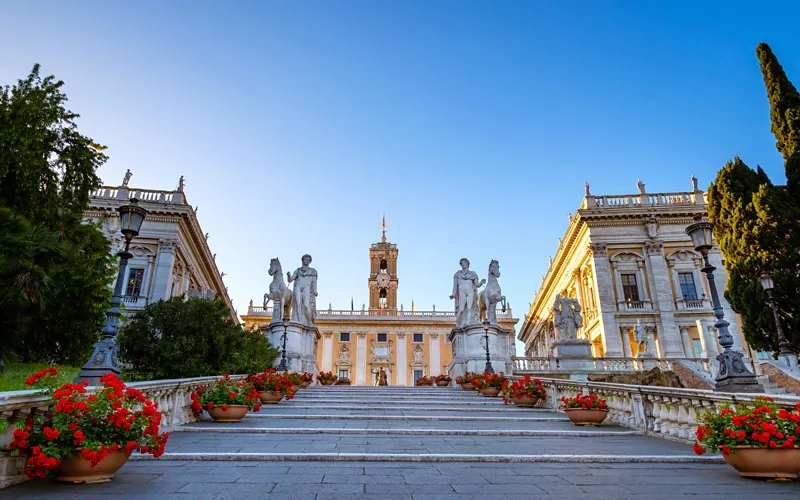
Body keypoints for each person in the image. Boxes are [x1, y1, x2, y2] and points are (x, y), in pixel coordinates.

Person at [450, 258, 485, 327]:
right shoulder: (457, 274)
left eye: (464, 263)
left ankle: (467, 324)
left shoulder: (473, 274)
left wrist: (481, 283)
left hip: (470, 291)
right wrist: (453, 294)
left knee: (469, 308)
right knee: (461, 309)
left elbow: (477, 284)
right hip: (461, 291)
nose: (463, 264)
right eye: (462, 263)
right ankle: (458, 322)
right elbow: (455, 286)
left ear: (468, 264)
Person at [288, 254, 317, 326]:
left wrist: (315, 290)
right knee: (298, 304)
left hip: (307, 287)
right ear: (302, 260)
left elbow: (314, 282)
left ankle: (309, 321)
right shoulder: (298, 270)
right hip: (298, 287)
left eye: (308, 260)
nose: (307, 261)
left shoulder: (312, 271)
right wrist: (288, 275)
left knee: (306, 305)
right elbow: (290, 280)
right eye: (306, 259)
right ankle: (299, 322)